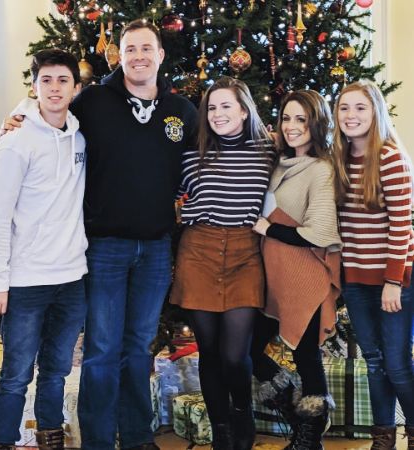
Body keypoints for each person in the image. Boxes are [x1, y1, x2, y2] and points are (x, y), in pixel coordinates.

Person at [2, 19, 197, 450]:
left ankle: (138, 436)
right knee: (103, 348)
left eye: (146, 48)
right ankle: (98, 440)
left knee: (139, 346)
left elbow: (204, 158)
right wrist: (17, 115)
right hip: (105, 247)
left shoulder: (181, 110)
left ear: (160, 55)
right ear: (118, 56)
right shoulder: (92, 101)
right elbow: (48, 109)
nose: (139, 57)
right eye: (130, 49)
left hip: (156, 249)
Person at [0, 49, 87, 450]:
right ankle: (2, 441)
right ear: (34, 86)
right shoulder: (16, 140)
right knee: (16, 373)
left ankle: (50, 435)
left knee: (57, 370)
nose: (55, 88)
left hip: (71, 278)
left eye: (63, 80)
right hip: (26, 280)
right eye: (46, 80)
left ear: (76, 87)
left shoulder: (81, 135)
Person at [169, 76, 277, 450]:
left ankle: (242, 411)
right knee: (210, 351)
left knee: (235, 354)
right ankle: (221, 430)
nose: (217, 114)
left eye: (226, 106)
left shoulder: (269, 152)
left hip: (246, 254)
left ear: (244, 111)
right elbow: (158, 186)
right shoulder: (191, 153)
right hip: (198, 251)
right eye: (212, 108)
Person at [251, 90, 341, 450]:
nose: (291, 126)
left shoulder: (321, 170)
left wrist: (268, 229)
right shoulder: (279, 163)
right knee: (249, 352)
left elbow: (320, 233)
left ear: (316, 123)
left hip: (305, 278)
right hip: (274, 278)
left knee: (306, 358)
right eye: (286, 118)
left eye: (301, 119)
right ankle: (298, 419)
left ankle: (309, 439)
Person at [332, 80, 414, 450]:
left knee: (396, 364)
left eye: (360, 108)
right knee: (375, 362)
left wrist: (393, 282)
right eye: (344, 108)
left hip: (394, 280)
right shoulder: (337, 159)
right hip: (355, 281)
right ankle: (383, 438)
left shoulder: (390, 158)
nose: (351, 115)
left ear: (376, 112)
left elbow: (401, 226)